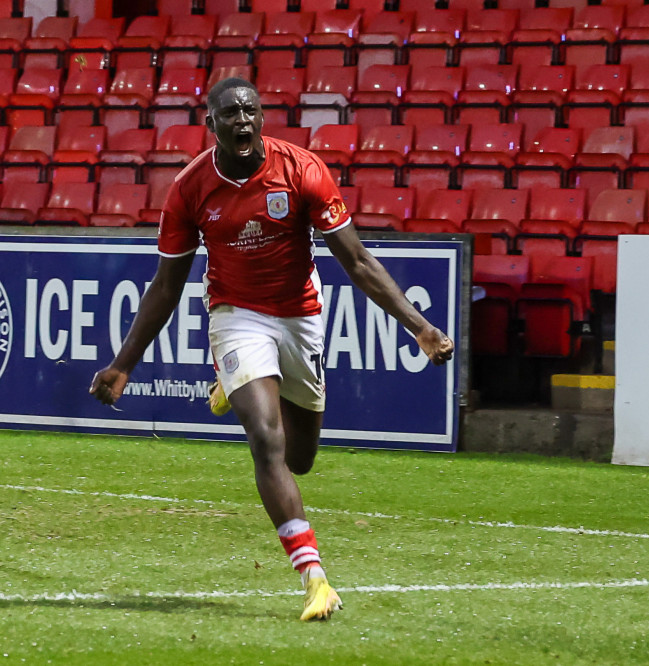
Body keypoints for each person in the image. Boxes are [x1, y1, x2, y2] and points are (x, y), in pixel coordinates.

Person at [90, 77, 454, 621]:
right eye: (229, 114)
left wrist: (419, 328)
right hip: (236, 316)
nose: (242, 121)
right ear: (210, 124)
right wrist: (124, 364)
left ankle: (233, 384)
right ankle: (315, 578)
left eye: (250, 112)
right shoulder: (190, 188)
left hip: (300, 316)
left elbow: (357, 262)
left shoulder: (302, 170)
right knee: (265, 437)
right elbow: (166, 286)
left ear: (262, 118)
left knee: (300, 458)